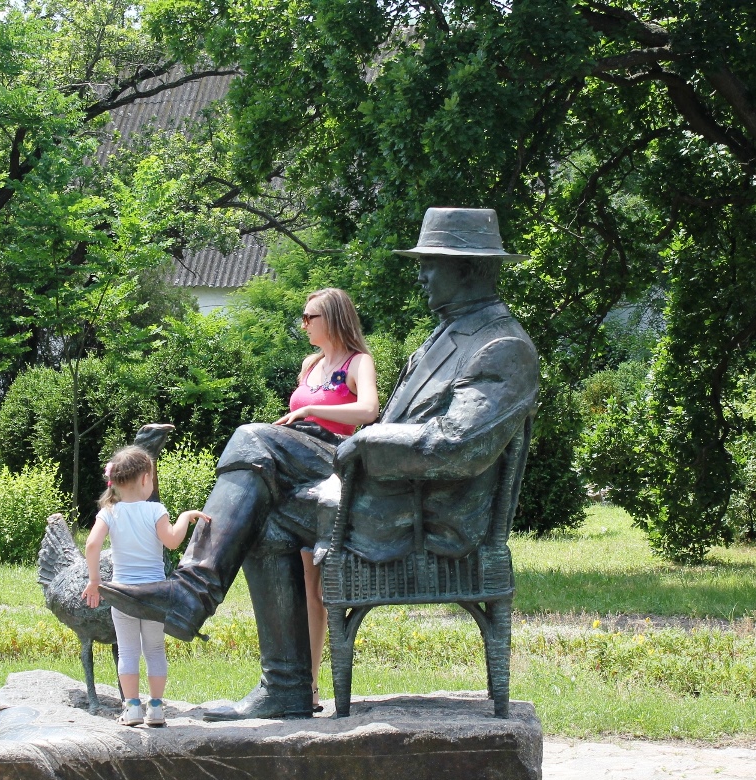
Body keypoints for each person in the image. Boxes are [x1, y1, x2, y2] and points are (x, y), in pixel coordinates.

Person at [101, 208, 538, 721]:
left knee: (253, 441)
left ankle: (192, 595)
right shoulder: (452, 334)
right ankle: (284, 687)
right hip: (388, 491)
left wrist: (368, 444)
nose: (420, 274)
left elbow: (459, 444)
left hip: (426, 515)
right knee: (263, 502)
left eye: (431, 264)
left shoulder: (501, 345)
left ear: (468, 269)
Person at [271, 288, 379, 710]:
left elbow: (368, 411)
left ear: (331, 317)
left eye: (308, 316)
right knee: (293, 585)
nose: (303, 323)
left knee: (314, 588)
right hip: (296, 476)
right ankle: (295, 681)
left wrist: (311, 413)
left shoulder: (359, 363)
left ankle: (310, 685)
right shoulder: (310, 364)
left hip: (333, 476)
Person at [81, 446, 210, 726]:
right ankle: (156, 709)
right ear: (144, 479)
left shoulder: (109, 512)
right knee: (154, 650)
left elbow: (92, 545)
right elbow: (173, 541)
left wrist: (94, 581)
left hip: (123, 594)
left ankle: (132, 708)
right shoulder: (156, 510)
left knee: (127, 651)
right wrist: (186, 517)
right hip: (154, 596)